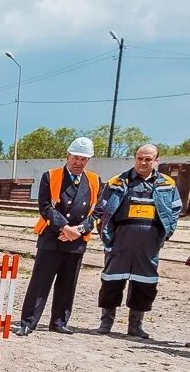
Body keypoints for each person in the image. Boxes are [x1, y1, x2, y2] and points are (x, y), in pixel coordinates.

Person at [94, 144, 183, 339]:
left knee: (145, 283)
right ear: (135, 158)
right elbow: (101, 209)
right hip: (120, 242)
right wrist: (106, 235)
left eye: (148, 159)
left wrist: (166, 233)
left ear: (156, 161)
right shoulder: (117, 182)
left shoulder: (167, 184)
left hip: (149, 245)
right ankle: (106, 322)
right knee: (111, 280)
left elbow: (176, 210)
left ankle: (135, 325)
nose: (143, 162)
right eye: (140, 158)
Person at [15, 137, 100, 336]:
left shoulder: (94, 180)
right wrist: (64, 228)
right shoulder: (50, 176)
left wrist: (78, 230)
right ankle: (28, 322)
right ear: (67, 155)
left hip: (77, 240)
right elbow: (45, 207)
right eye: (76, 158)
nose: (79, 162)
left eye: (84, 159)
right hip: (52, 238)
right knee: (40, 282)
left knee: (68, 283)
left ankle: (59, 321)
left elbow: (98, 211)